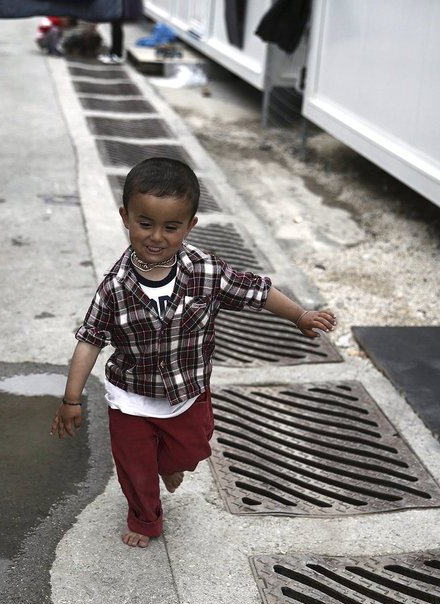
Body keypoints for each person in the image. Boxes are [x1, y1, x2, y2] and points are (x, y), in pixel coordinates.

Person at [50, 157, 336, 548]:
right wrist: (71, 398)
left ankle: (169, 466)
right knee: (135, 469)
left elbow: (256, 291)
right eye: (144, 223)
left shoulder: (206, 271)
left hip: (188, 393)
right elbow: (89, 341)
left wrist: (299, 315)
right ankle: (145, 518)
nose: (156, 236)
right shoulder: (114, 288)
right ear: (126, 217)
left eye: (171, 227)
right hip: (130, 397)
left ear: (190, 225)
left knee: (192, 451)